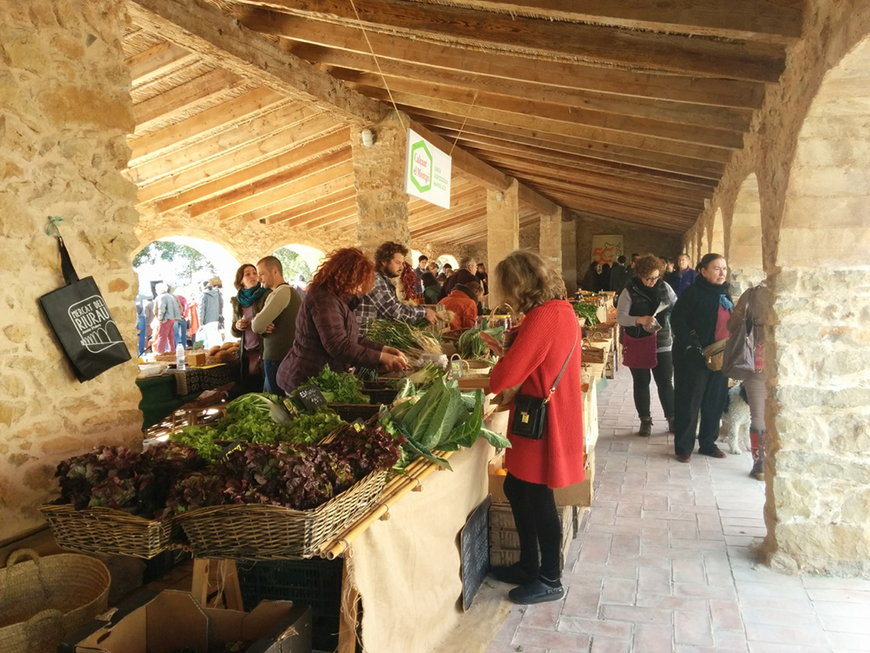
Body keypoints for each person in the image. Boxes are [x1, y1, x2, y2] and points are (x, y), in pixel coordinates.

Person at [483, 250, 584, 605]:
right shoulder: (561, 310)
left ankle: (550, 578)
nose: (505, 294)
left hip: (542, 418)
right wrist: (509, 348)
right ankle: (529, 565)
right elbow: (537, 360)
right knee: (517, 486)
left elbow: (505, 377)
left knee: (538, 495)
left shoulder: (544, 316)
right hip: (546, 412)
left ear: (520, 284)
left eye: (507, 286)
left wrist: (503, 361)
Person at [277, 248, 408, 394]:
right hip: (305, 380)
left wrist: (382, 349)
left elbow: (351, 338)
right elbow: (338, 345)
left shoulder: (338, 299)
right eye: (358, 281)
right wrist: (381, 357)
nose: (359, 288)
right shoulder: (324, 300)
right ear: (346, 276)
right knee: (312, 416)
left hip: (319, 379)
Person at [671, 253, 733, 462]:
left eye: (724, 268)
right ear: (703, 271)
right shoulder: (693, 293)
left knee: (714, 401)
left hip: (719, 357)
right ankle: (684, 447)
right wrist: (692, 345)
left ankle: (708, 443)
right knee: (689, 401)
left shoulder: (725, 294)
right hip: (693, 358)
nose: (722, 272)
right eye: (716, 268)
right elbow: (678, 321)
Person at [617, 254, 677, 436]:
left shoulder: (665, 287)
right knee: (641, 382)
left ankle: (672, 419)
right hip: (639, 342)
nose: (652, 282)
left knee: (665, 382)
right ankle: (645, 420)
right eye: (648, 278)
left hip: (662, 341)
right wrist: (639, 320)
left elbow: (676, 305)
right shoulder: (629, 291)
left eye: (656, 277)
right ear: (639, 275)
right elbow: (621, 317)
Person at [727, 282, 771, 480]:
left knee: (758, 414)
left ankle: (760, 462)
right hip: (789, 365)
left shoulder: (752, 295)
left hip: (757, 363)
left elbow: (732, 325)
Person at [355, 242, 437, 336]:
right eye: (398, 263)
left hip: (373, 339)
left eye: (402, 263)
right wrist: (424, 312)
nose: (401, 267)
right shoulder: (376, 280)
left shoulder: (383, 280)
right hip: (366, 339)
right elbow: (395, 312)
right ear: (384, 261)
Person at [253, 256, 303, 395]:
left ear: (275, 271)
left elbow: (256, 325)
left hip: (278, 357)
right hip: (280, 356)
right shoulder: (280, 292)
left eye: (262, 273)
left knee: (278, 404)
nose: (259, 278)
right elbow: (261, 325)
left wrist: (260, 325)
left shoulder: (282, 291)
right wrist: (263, 327)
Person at [230, 263, 271, 395]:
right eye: (247, 274)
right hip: (246, 354)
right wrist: (237, 326)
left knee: (264, 391)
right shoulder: (237, 302)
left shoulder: (266, 295)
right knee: (249, 392)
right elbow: (234, 332)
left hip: (264, 351)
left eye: (255, 272)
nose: (253, 276)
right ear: (241, 281)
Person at [154, 283, 182, 354]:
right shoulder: (171, 296)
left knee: (162, 336)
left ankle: (160, 352)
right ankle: (172, 351)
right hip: (172, 318)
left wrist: (160, 319)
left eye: (156, 290)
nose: (156, 291)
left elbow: (161, 308)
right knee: (170, 336)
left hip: (165, 319)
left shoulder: (161, 297)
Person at [197, 280, 222, 349]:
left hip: (207, 320)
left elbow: (201, 310)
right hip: (216, 318)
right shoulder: (217, 293)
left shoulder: (203, 295)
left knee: (210, 340)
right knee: (217, 337)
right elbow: (221, 305)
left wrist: (200, 323)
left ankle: (213, 357)